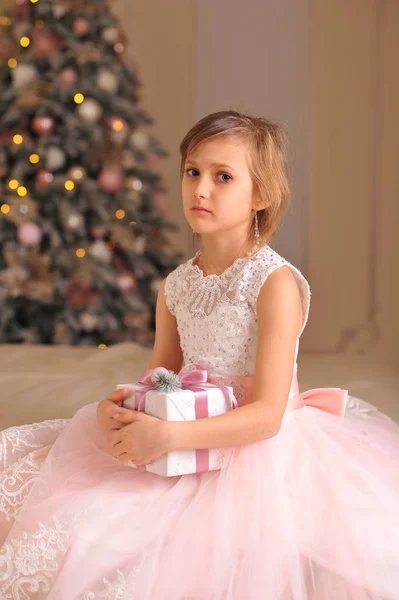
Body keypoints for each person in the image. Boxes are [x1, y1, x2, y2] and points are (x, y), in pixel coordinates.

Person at [0, 110, 398, 599]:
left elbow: (269, 416)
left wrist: (170, 436)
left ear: (262, 196)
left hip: (254, 449)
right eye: (192, 171)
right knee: (57, 502)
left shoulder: (272, 283)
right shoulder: (176, 284)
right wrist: (119, 408)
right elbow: (160, 378)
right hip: (183, 426)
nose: (201, 189)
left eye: (223, 176)